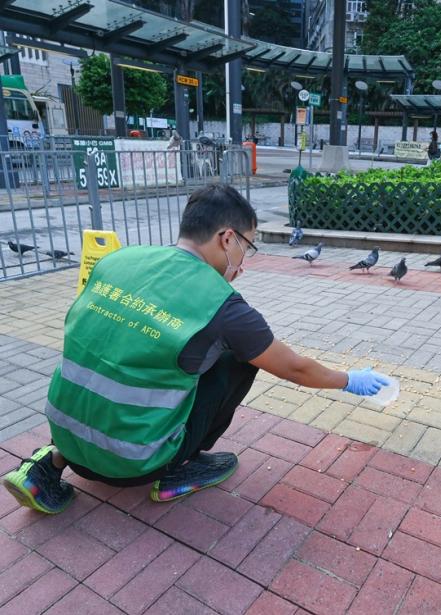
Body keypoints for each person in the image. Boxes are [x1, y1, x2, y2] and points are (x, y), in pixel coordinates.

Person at [2, 184, 389, 514]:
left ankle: (45, 467)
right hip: (135, 464)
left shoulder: (117, 260)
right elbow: (295, 369)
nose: (244, 261)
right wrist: (349, 379)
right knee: (240, 357)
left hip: (65, 435)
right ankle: (177, 468)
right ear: (226, 238)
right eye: (247, 247)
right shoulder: (225, 306)